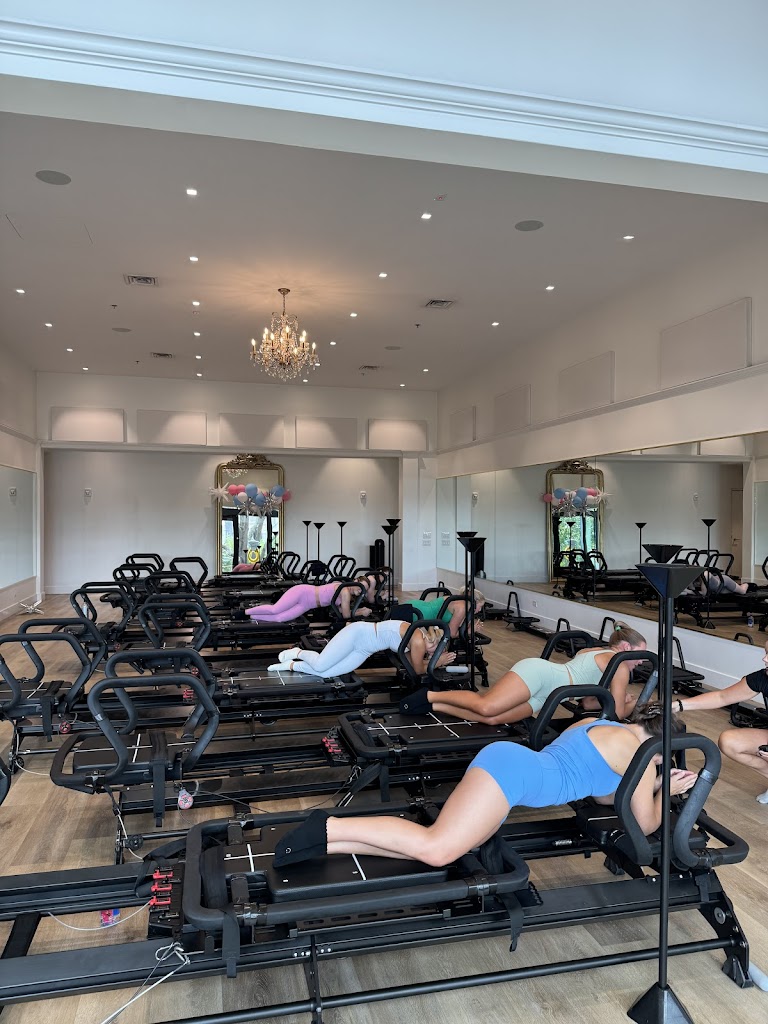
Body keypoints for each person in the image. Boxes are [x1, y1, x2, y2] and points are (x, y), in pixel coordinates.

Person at [274, 702, 697, 867]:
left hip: (511, 764)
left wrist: (649, 784)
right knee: (437, 849)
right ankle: (326, 825)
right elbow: (645, 824)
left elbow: (602, 792)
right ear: (663, 746)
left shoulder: (597, 723)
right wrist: (666, 791)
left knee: (448, 847)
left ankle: (327, 843)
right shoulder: (643, 759)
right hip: (510, 778)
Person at [399, 622, 646, 724]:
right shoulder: (619, 665)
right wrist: (634, 704)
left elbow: (589, 702)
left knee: (492, 719)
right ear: (626, 647)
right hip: (541, 676)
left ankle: (434, 706)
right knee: (486, 706)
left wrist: (617, 699)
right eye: (640, 654)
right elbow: (614, 714)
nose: (642, 661)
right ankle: (429, 695)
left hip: (548, 695)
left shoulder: (600, 652)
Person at [675, 640, 768, 803]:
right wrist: (678, 705)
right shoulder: (763, 677)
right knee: (730, 741)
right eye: (766, 652)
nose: (765, 659)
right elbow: (722, 697)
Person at [268, 620, 456, 678]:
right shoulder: (418, 640)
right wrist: (438, 662)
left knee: (327, 673)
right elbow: (418, 669)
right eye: (437, 652)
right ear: (436, 644)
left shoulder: (418, 639)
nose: (433, 655)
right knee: (319, 665)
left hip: (364, 650)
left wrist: (433, 662)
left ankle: (291, 665)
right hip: (357, 634)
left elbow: (412, 665)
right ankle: (297, 652)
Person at [246, 575, 378, 622]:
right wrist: (361, 612)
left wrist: (359, 610)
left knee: (279, 618)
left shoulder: (346, 594)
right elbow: (346, 615)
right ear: (355, 580)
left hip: (306, 605)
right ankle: (244, 612)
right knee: (275, 609)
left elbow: (341, 610)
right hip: (302, 592)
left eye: (362, 591)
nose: (359, 591)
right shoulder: (345, 591)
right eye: (360, 587)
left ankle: (251, 617)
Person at [389, 588, 487, 639]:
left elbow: (454, 624)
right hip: (415, 614)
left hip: (414, 606)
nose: (479, 610)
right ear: (474, 603)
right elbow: (451, 634)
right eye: (480, 606)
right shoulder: (462, 607)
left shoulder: (459, 601)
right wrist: (469, 631)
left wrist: (469, 626)